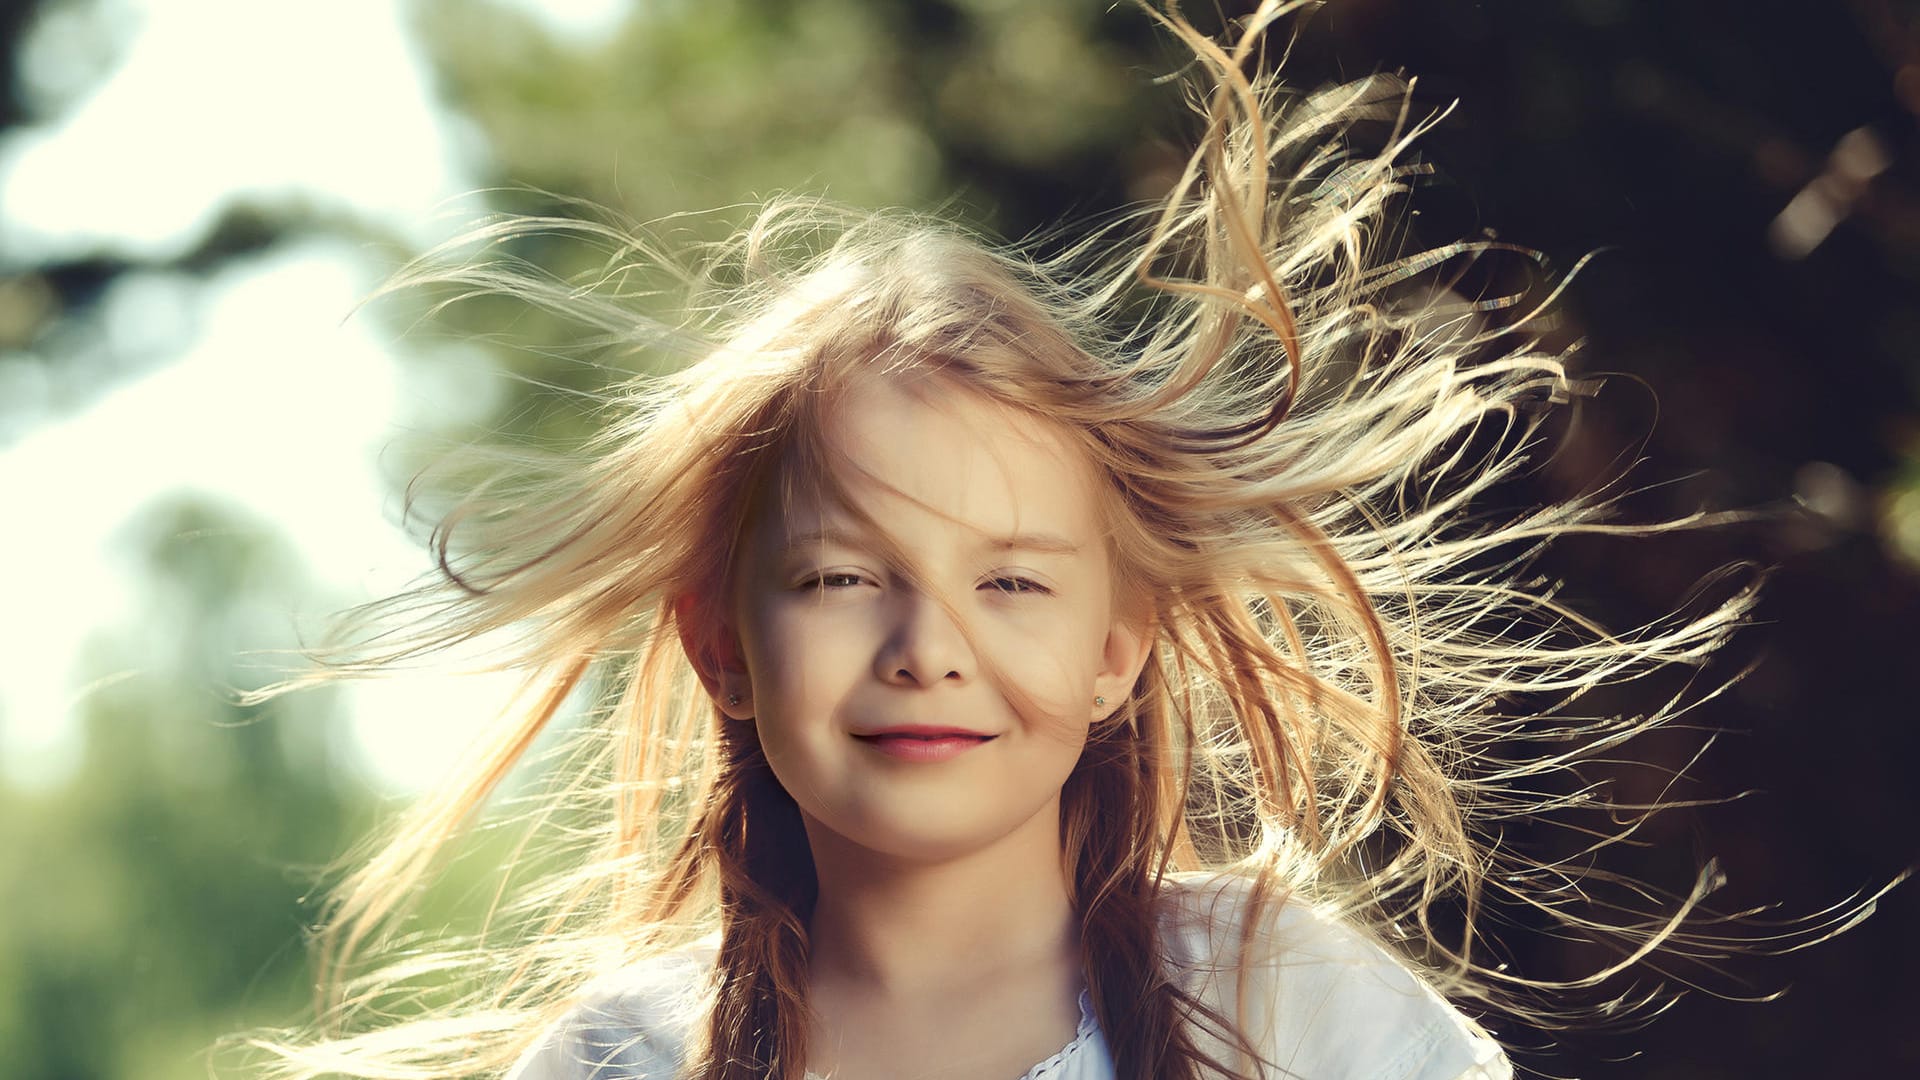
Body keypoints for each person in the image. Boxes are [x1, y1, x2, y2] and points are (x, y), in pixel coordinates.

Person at [236, 3, 1788, 1078]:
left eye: (1014, 581)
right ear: (722, 643)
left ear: (1118, 646)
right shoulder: (620, 1061)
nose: (931, 648)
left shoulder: (1290, 1012)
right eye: (844, 579)